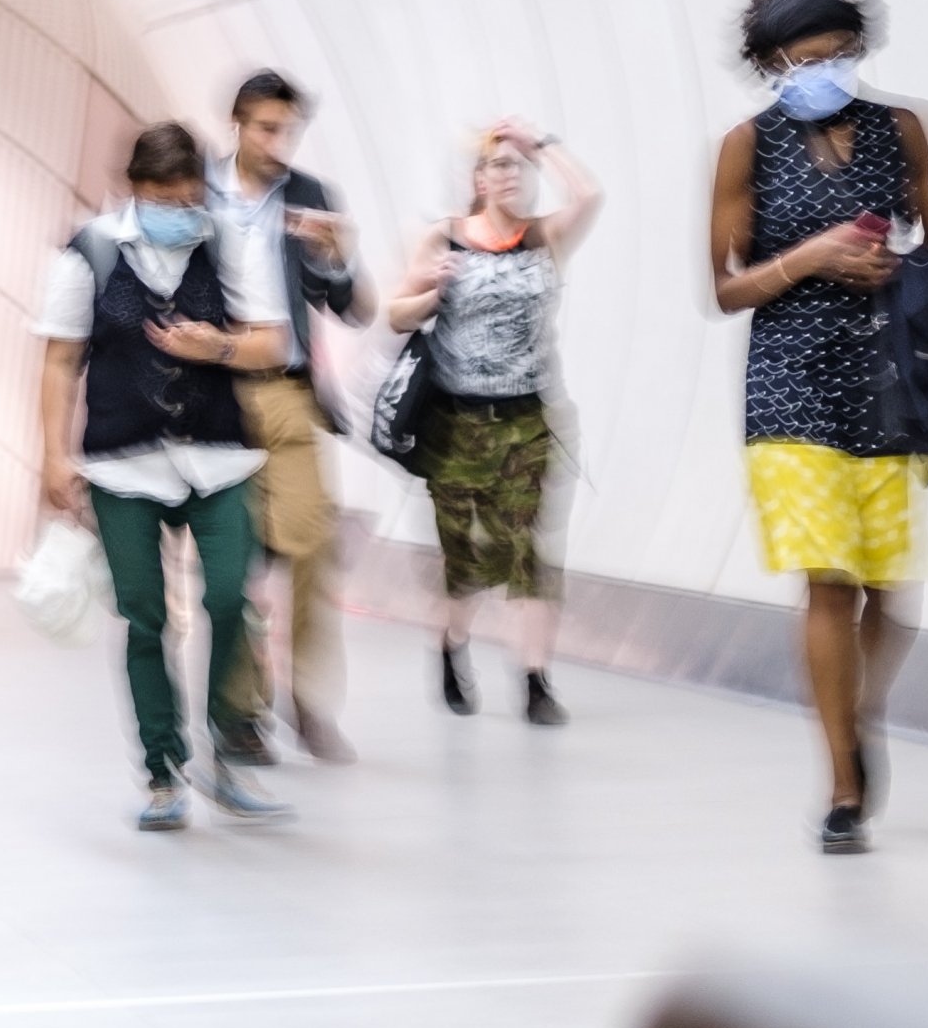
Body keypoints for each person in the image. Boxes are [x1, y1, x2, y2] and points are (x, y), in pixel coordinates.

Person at [711, 0, 928, 854]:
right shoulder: (747, 146)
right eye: (807, 59)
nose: (827, 70)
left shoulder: (902, 130)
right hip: (789, 386)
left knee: (892, 586)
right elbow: (726, 287)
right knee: (829, 579)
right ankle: (843, 783)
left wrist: (895, 267)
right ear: (771, 63)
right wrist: (809, 258)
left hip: (885, 379)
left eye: (841, 54)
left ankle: (859, 709)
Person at [38, 121, 292, 830]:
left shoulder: (229, 242)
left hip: (221, 457)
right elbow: (60, 360)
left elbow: (272, 343)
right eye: (163, 199)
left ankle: (226, 750)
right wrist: (54, 455)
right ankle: (161, 772)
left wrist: (220, 347)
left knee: (231, 596)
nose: (179, 212)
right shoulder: (88, 250)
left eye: (188, 200)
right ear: (134, 189)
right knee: (145, 615)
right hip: (123, 464)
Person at [389, 119, 601, 721]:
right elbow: (396, 314)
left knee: (529, 548)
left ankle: (535, 680)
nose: (511, 175)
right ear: (478, 179)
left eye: (518, 166)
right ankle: (450, 643)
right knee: (467, 556)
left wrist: (543, 146)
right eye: (499, 165)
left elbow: (589, 196)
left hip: (527, 418)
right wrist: (431, 292)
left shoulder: (543, 236)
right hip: (456, 423)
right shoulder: (445, 239)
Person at [207, 71, 375, 763]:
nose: (279, 142)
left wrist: (335, 259)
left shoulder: (310, 196)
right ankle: (240, 711)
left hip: (287, 391)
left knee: (312, 546)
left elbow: (351, 307)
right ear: (238, 123)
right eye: (266, 128)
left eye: (289, 130)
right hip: (215, 391)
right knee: (231, 561)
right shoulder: (199, 194)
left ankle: (308, 699)